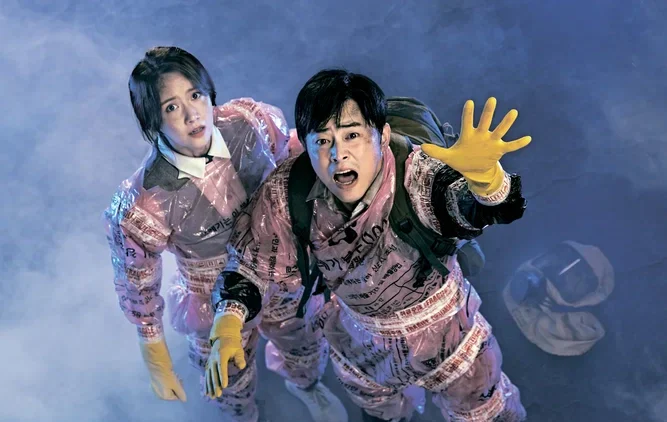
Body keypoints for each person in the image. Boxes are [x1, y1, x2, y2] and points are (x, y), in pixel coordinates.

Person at [205, 68, 532, 421]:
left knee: (485, 412)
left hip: (449, 336)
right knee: (380, 415)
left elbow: (468, 207)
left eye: (352, 135)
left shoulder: (417, 174)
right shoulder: (289, 192)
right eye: (323, 141)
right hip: (361, 342)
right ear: (306, 145)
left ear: (382, 135)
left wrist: (488, 181)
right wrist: (229, 319)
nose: (339, 154)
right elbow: (250, 263)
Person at [104, 47, 346, 422]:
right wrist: (154, 353)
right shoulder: (145, 202)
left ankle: (307, 385)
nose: (192, 114)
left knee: (305, 343)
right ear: (151, 119)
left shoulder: (251, 123)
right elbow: (136, 281)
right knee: (227, 378)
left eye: (195, 95)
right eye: (171, 107)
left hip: (282, 269)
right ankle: (241, 415)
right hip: (212, 298)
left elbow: (294, 160)